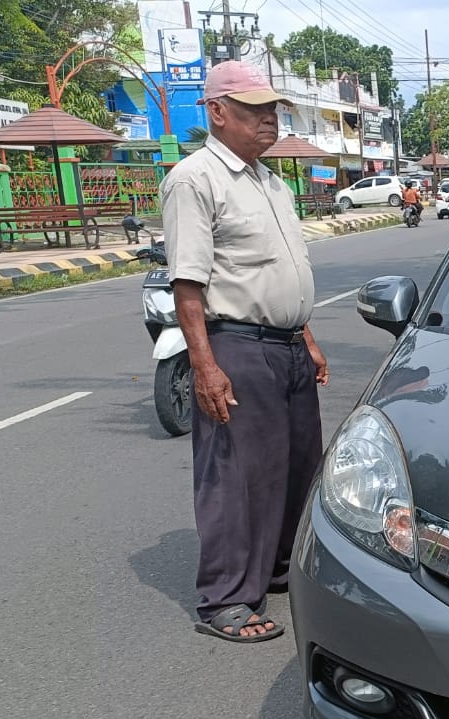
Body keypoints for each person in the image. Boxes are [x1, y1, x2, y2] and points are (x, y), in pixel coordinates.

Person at [160, 60, 327, 643]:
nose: (268, 119)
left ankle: (277, 568)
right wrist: (205, 366)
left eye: (273, 109)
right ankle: (227, 599)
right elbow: (188, 285)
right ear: (218, 112)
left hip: (287, 348)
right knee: (237, 473)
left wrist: (305, 334)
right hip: (236, 345)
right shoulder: (195, 178)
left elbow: (279, 269)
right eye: (255, 109)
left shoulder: (269, 181)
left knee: (299, 463)